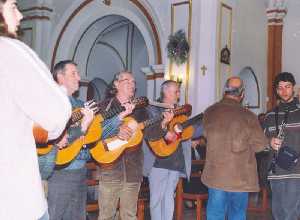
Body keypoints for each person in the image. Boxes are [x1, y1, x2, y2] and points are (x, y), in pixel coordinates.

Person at [0, 1, 72, 219]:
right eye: (13, 6)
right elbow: (56, 114)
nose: (20, 15)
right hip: (14, 200)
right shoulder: (9, 50)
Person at [201, 76, 268, 220]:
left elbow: (205, 135)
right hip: (240, 179)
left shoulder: (209, 112)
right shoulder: (248, 116)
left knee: (215, 215)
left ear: (225, 91)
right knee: (237, 215)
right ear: (242, 94)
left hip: (216, 176)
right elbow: (260, 146)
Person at [39, 60, 95, 220]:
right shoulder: (50, 102)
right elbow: (55, 138)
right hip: (60, 172)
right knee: (55, 215)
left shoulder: (81, 105)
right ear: (60, 77)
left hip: (81, 169)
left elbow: (90, 136)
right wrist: (83, 127)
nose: (79, 77)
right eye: (74, 73)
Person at [97, 71, 148, 220]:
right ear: (116, 84)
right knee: (107, 215)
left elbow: (152, 134)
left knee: (129, 216)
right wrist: (117, 128)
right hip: (110, 169)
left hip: (133, 170)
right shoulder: (104, 106)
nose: (132, 84)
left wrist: (164, 123)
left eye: (134, 82)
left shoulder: (140, 109)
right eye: (127, 81)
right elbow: (95, 132)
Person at [143, 80, 192, 220]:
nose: (178, 94)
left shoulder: (180, 111)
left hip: (176, 161)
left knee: (170, 196)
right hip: (158, 161)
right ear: (165, 91)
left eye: (178, 91)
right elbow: (149, 131)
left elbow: (184, 132)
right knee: (156, 199)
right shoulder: (153, 109)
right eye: (175, 91)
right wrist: (165, 131)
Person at [264, 72, 300, 220]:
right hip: (275, 172)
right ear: (276, 91)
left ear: (294, 88)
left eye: (287, 87)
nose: (284, 91)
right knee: (277, 212)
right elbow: (261, 142)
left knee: (290, 213)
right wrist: (269, 142)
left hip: (296, 171)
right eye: (280, 88)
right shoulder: (270, 115)